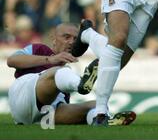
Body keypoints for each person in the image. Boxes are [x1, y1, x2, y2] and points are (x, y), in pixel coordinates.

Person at [7, 22, 135, 126]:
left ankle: (100, 121)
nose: (71, 42)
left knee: (98, 105)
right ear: (54, 39)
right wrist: (50, 59)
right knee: (59, 72)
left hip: (44, 116)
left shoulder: (67, 71)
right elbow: (11, 60)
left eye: (75, 39)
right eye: (66, 37)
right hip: (23, 94)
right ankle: (81, 84)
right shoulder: (39, 49)